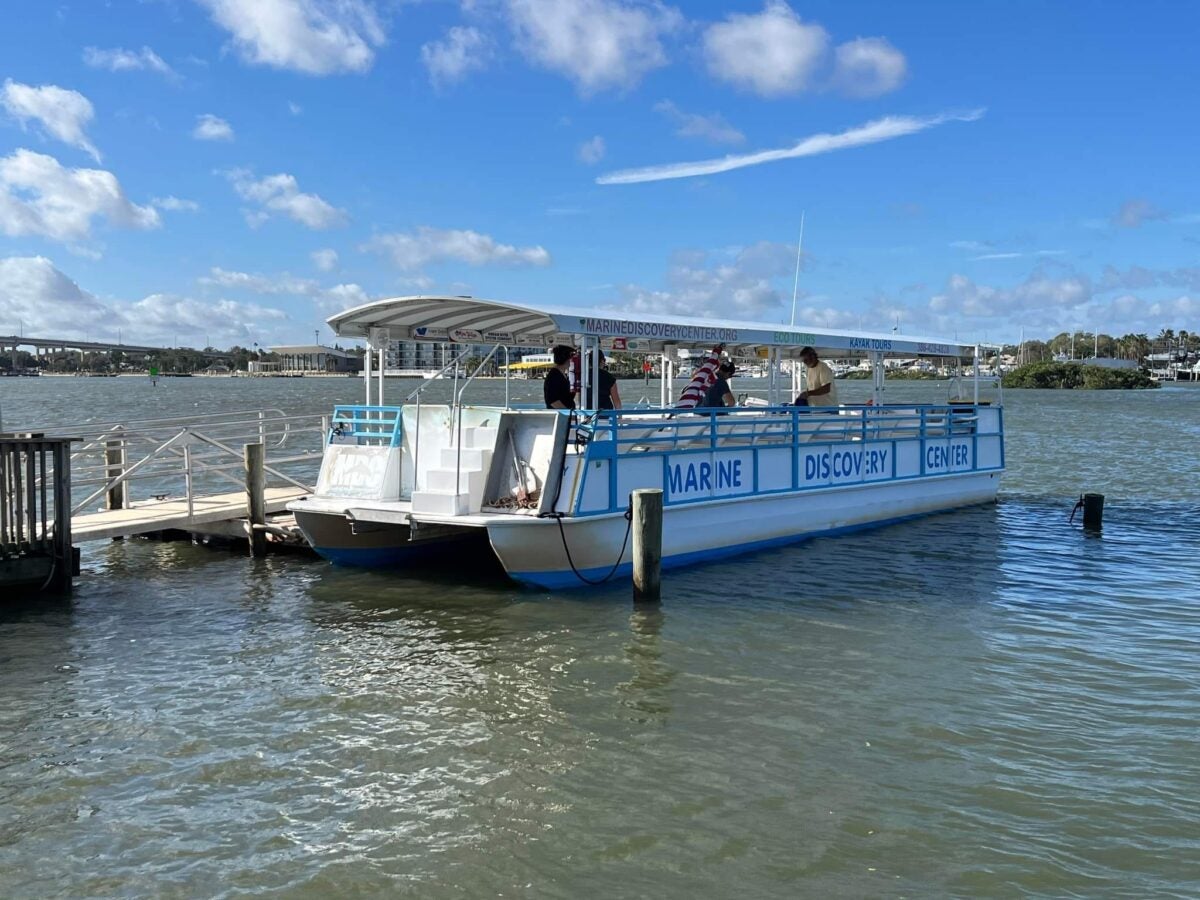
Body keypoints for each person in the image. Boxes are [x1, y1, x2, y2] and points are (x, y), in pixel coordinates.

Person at [544, 345, 575, 410]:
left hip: (564, 416)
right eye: (571, 358)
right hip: (560, 416)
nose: (572, 361)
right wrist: (567, 413)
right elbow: (553, 400)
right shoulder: (554, 376)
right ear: (566, 359)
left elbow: (563, 395)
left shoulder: (562, 375)